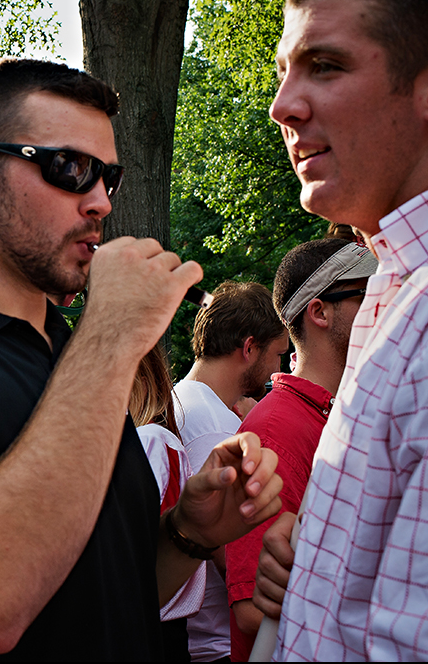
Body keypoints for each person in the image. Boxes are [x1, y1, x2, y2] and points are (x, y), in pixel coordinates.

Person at [0, 58, 283, 660]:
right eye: (70, 168)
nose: (100, 203)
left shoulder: (70, 355)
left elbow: (105, 597)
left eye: (108, 179)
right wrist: (110, 339)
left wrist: (189, 533)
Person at [254, 0, 428, 661]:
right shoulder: (393, 287)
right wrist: (316, 564)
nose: (282, 106)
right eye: (283, 74)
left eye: (326, 65)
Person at [226, 239, 376, 662]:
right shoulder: (275, 430)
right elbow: (252, 611)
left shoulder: (338, 415)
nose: (384, 306)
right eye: (366, 294)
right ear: (320, 312)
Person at [172, 280, 288, 663]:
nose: (276, 371)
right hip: (218, 643)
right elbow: (232, 553)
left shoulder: (181, 400)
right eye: (276, 355)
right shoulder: (218, 428)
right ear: (249, 347)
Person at [132, 346, 206, 661]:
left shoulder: (150, 439)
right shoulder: (157, 439)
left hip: (152, 626)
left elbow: (141, 548)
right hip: (162, 627)